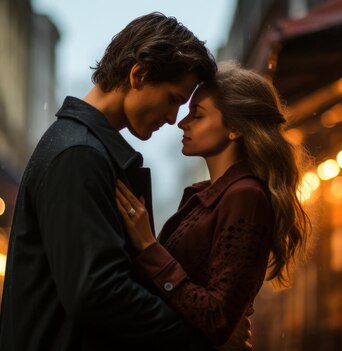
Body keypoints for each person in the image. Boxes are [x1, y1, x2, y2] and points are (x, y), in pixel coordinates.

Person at [0, 12, 218, 351]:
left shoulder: (80, 147)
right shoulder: (79, 154)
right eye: (173, 98)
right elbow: (98, 292)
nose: (174, 118)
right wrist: (196, 340)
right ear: (139, 74)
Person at [115, 62, 311, 349]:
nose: (182, 123)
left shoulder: (246, 197)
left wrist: (148, 245)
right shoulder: (212, 195)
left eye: (198, 115)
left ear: (234, 128)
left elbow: (217, 316)